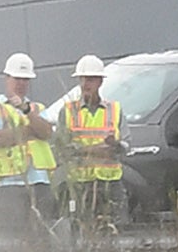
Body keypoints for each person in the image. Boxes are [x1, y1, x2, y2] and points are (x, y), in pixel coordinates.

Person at [0, 54, 57, 233]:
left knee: (44, 235)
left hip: (40, 184)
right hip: (10, 185)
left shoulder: (36, 109)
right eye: (17, 79)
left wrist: (27, 111)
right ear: (7, 79)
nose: (21, 83)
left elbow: (46, 132)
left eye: (25, 79)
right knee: (14, 237)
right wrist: (29, 130)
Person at [53, 54, 125, 220]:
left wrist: (115, 145)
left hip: (110, 184)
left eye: (91, 79)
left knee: (118, 228)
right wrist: (97, 149)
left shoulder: (115, 110)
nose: (86, 84)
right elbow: (61, 148)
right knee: (80, 229)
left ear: (100, 81)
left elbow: (126, 147)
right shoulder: (68, 111)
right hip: (80, 184)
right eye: (83, 79)